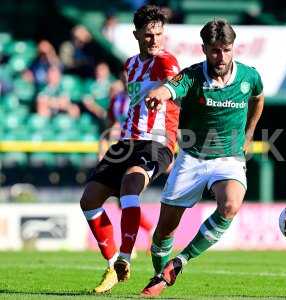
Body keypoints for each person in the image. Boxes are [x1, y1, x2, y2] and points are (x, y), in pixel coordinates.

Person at [140, 19, 264, 297]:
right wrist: (159, 93)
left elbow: (258, 98)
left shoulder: (249, 77)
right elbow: (172, 88)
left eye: (226, 49)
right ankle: (160, 275)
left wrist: (249, 133)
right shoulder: (193, 76)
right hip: (191, 159)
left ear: (234, 48)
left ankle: (180, 261)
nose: (221, 57)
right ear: (204, 49)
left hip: (229, 159)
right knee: (163, 232)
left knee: (230, 205)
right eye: (215, 50)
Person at [79, 4, 180, 294]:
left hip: (156, 142)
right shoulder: (131, 64)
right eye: (149, 35)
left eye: (159, 34)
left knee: (130, 185)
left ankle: (126, 255)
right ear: (137, 34)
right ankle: (113, 264)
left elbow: (176, 85)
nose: (155, 40)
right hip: (126, 141)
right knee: (89, 200)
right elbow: (131, 106)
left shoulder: (166, 61)